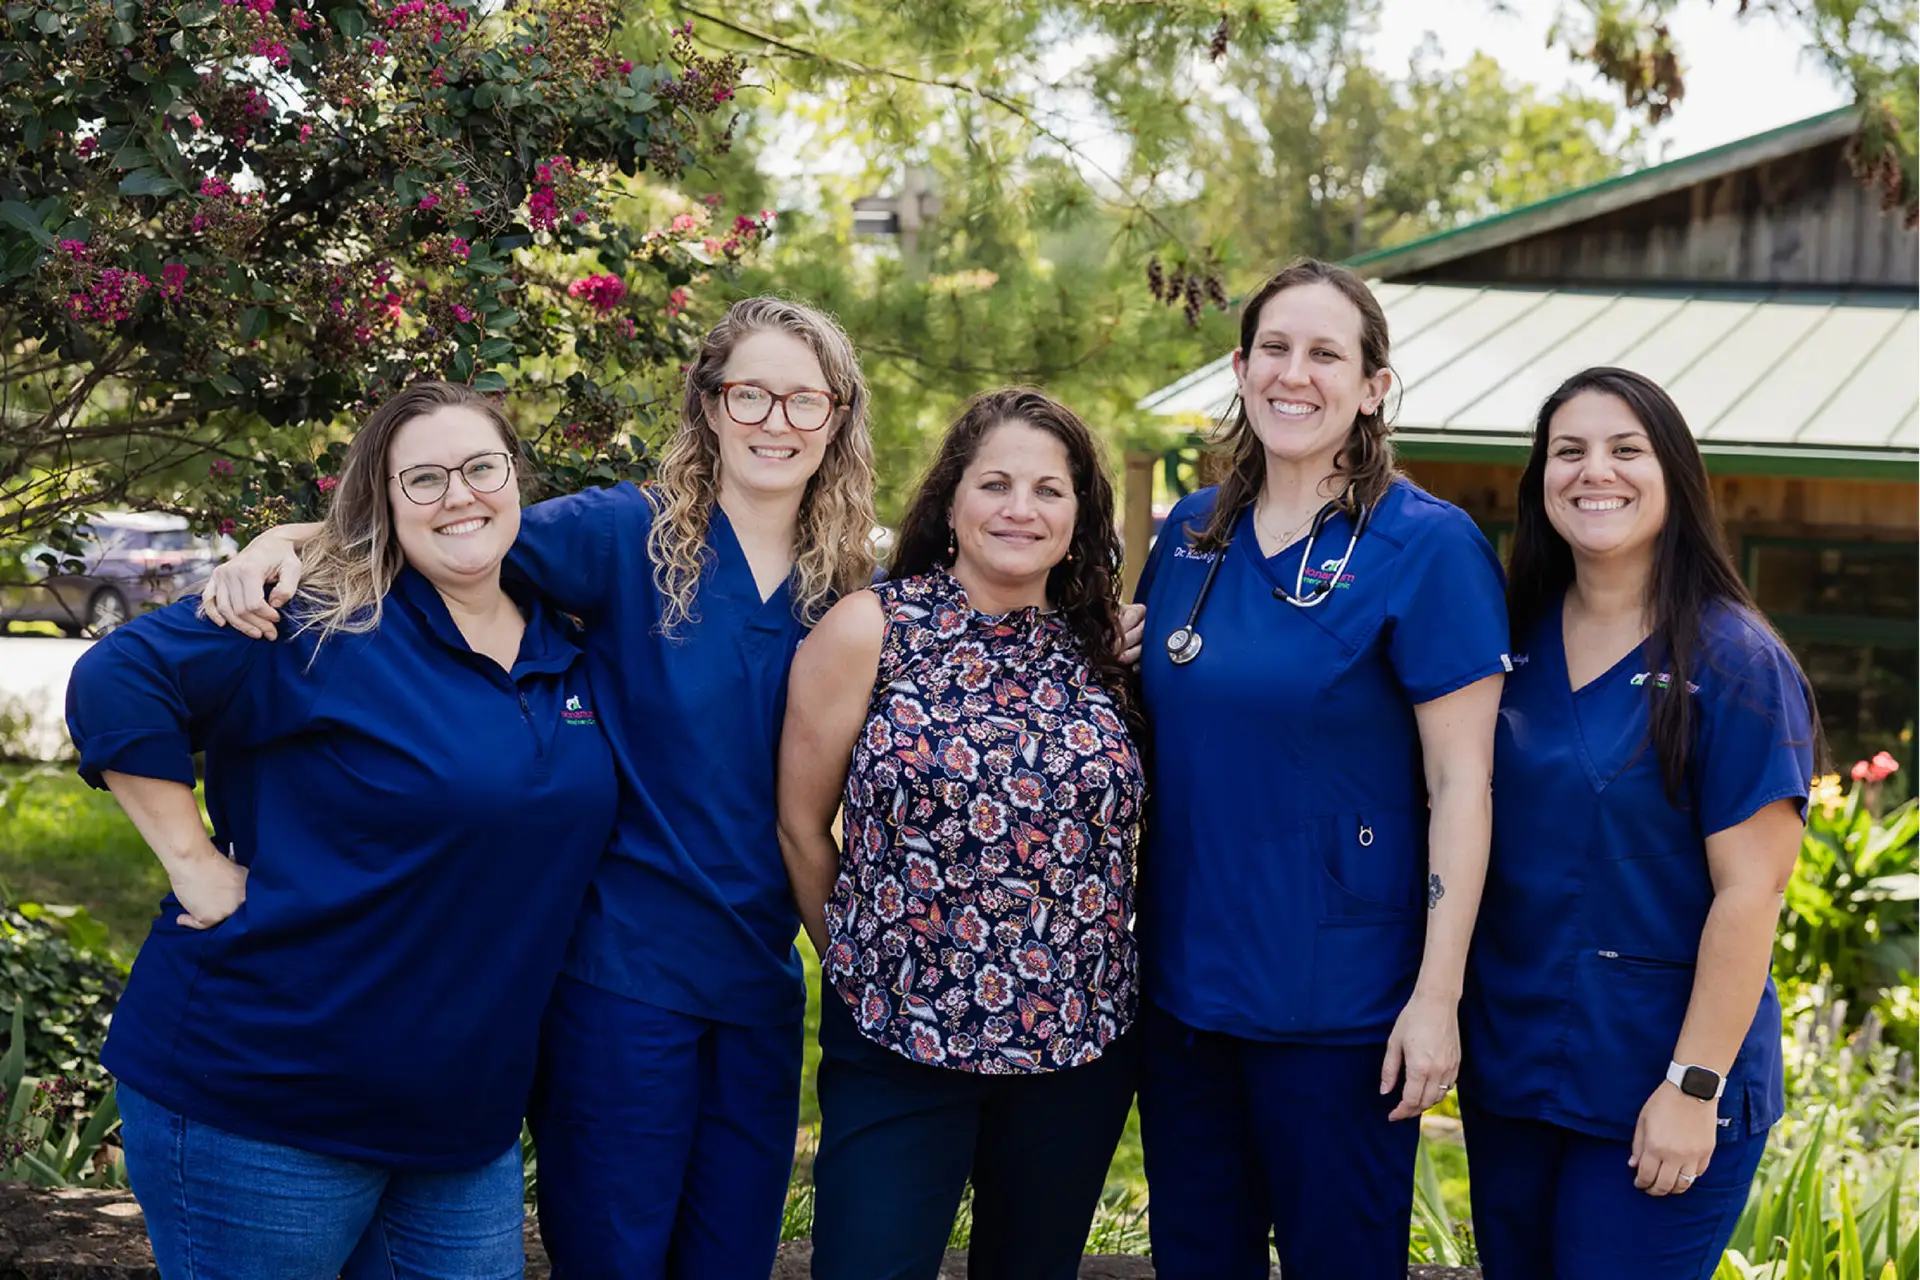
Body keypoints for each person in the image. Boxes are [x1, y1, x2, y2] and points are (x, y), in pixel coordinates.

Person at [199, 298, 881, 1279]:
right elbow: (444, 526)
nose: (777, 420)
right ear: (709, 406)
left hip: (760, 988)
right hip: (621, 980)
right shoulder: (625, 535)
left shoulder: (848, 587)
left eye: (804, 400)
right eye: (750, 394)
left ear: (837, 418)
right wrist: (284, 540)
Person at [65, 381, 618, 1279]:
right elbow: (117, 678)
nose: (461, 495)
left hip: (460, 1122)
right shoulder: (319, 619)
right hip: (265, 1100)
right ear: (384, 500)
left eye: (481, 467)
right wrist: (193, 862)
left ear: (517, 477)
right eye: (423, 480)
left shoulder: (571, 642)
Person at [1130, 257, 1510, 1279]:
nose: (1295, 375)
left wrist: (1437, 996)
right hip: (1184, 997)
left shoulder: (1429, 548)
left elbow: (1463, 786)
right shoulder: (1192, 535)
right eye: (1275, 349)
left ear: (1373, 385)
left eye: (1326, 353)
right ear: (1244, 367)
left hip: (1340, 1007)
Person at [1457, 367, 1817, 1279]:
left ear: (1675, 476)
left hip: (1661, 1082)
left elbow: (1753, 893)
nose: (1594, 473)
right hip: (1515, 1074)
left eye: (1626, 450)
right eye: (1568, 451)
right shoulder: (1509, 636)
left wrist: (1693, 1086)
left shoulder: (1736, 662)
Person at [778, 387, 1144, 1280]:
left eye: (1049, 491)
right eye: (996, 484)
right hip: (900, 1035)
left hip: (1076, 1045)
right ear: (951, 501)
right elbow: (797, 820)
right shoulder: (872, 628)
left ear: (1079, 516)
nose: (1020, 509)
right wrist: (862, 960)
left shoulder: (1112, 650)